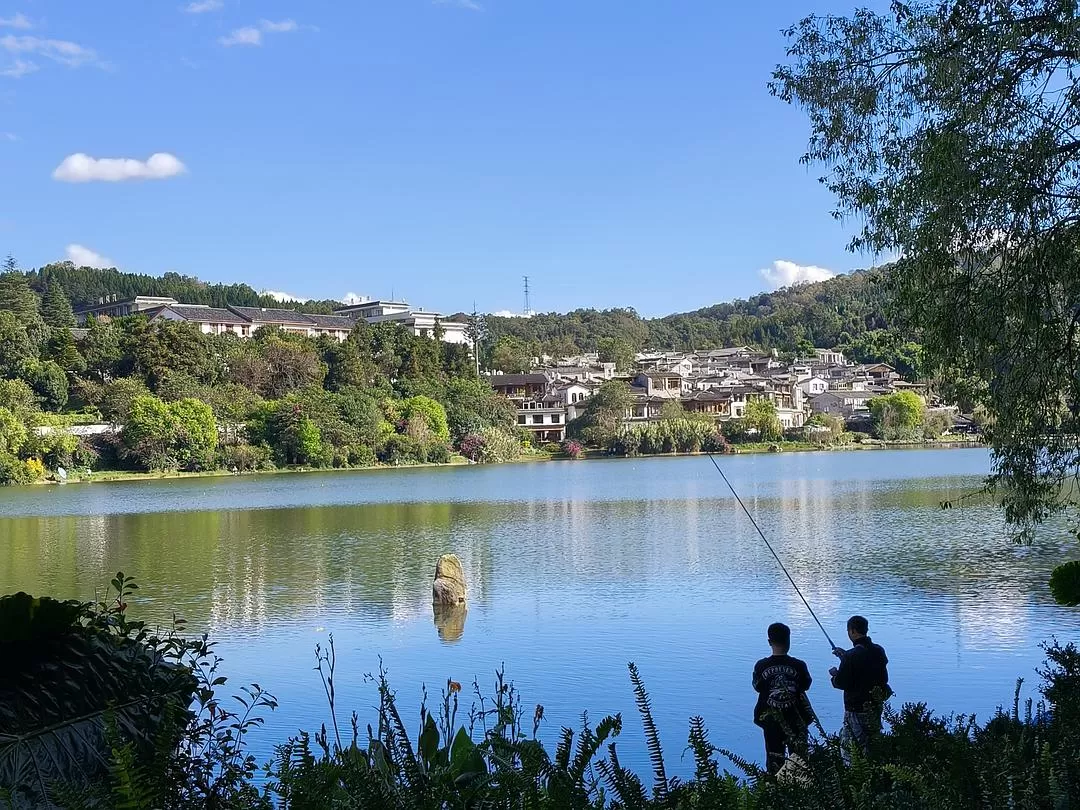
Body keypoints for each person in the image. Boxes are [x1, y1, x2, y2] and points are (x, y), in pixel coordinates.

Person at [753, 622, 814, 775]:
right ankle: (801, 792)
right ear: (788, 640)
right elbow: (806, 684)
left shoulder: (761, 666)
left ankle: (776, 791)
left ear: (769, 642)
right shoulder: (799, 665)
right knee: (800, 760)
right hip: (797, 719)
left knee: (774, 758)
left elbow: (757, 687)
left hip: (771, 720)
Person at [829, 615, 891, 760]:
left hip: (855, 710)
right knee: (872, 747)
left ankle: (853, 778)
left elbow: (841, 683)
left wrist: (834, 675)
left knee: (850, 752)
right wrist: (844, 656)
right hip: (875, 707)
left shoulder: (851, 656)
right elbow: (872, 670)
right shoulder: (878, 651)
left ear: (852, 631)